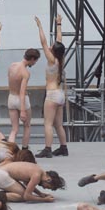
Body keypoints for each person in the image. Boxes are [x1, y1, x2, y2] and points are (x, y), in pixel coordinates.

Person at [34, 15, 68, 158]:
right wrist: (59, 23)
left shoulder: (52, 59)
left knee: (47, 124)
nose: (51, 46)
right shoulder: (61, 58)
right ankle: (63, 147)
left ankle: (48, 149)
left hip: (52, 94)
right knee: (58, 124)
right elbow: (59, 41)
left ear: (53, 50)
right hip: (60, 94)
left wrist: (40, 26)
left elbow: (43, 42)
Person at [7, 49, 41, 150]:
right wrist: (22, 110)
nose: (34, 63)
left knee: (14, 129)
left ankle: (10, 151)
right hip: (21, 100)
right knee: (27, 126)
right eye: (35, 61)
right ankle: (25, 149)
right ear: (31, 59)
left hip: (11, 97)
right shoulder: (25, 73)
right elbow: (22, 92)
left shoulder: (12, 66)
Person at [0, 160, 65, 202]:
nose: (45, 188)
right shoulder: (37, 175)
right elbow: (27, 196)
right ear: (48, 180)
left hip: (0, 173)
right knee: (22, 197)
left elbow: (27, 184)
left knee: (24, 192)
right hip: (0, 175)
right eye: (48, 187)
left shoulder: (38, 170)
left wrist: (40, 193)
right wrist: (44, 199)